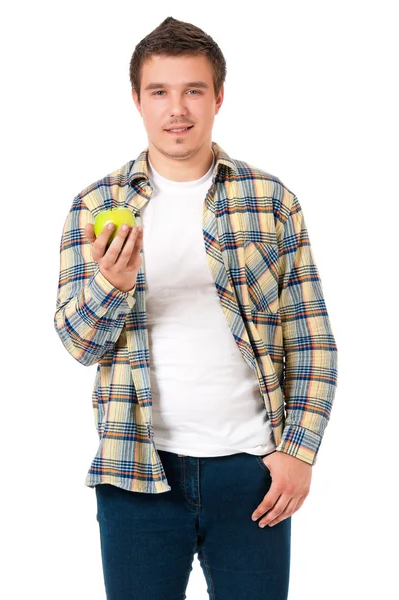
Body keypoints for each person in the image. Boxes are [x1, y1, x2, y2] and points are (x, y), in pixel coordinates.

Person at [53, 16, 338, 600]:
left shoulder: (271, 201)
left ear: (218, 97)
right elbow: (79, 344)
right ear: (137, 99)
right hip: (137, 471)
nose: (176, 109)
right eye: (159, 91)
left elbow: (312, 342)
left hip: (252, 472)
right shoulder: (96, 206)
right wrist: (112, 283)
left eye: (193, 90)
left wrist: (298, 453)